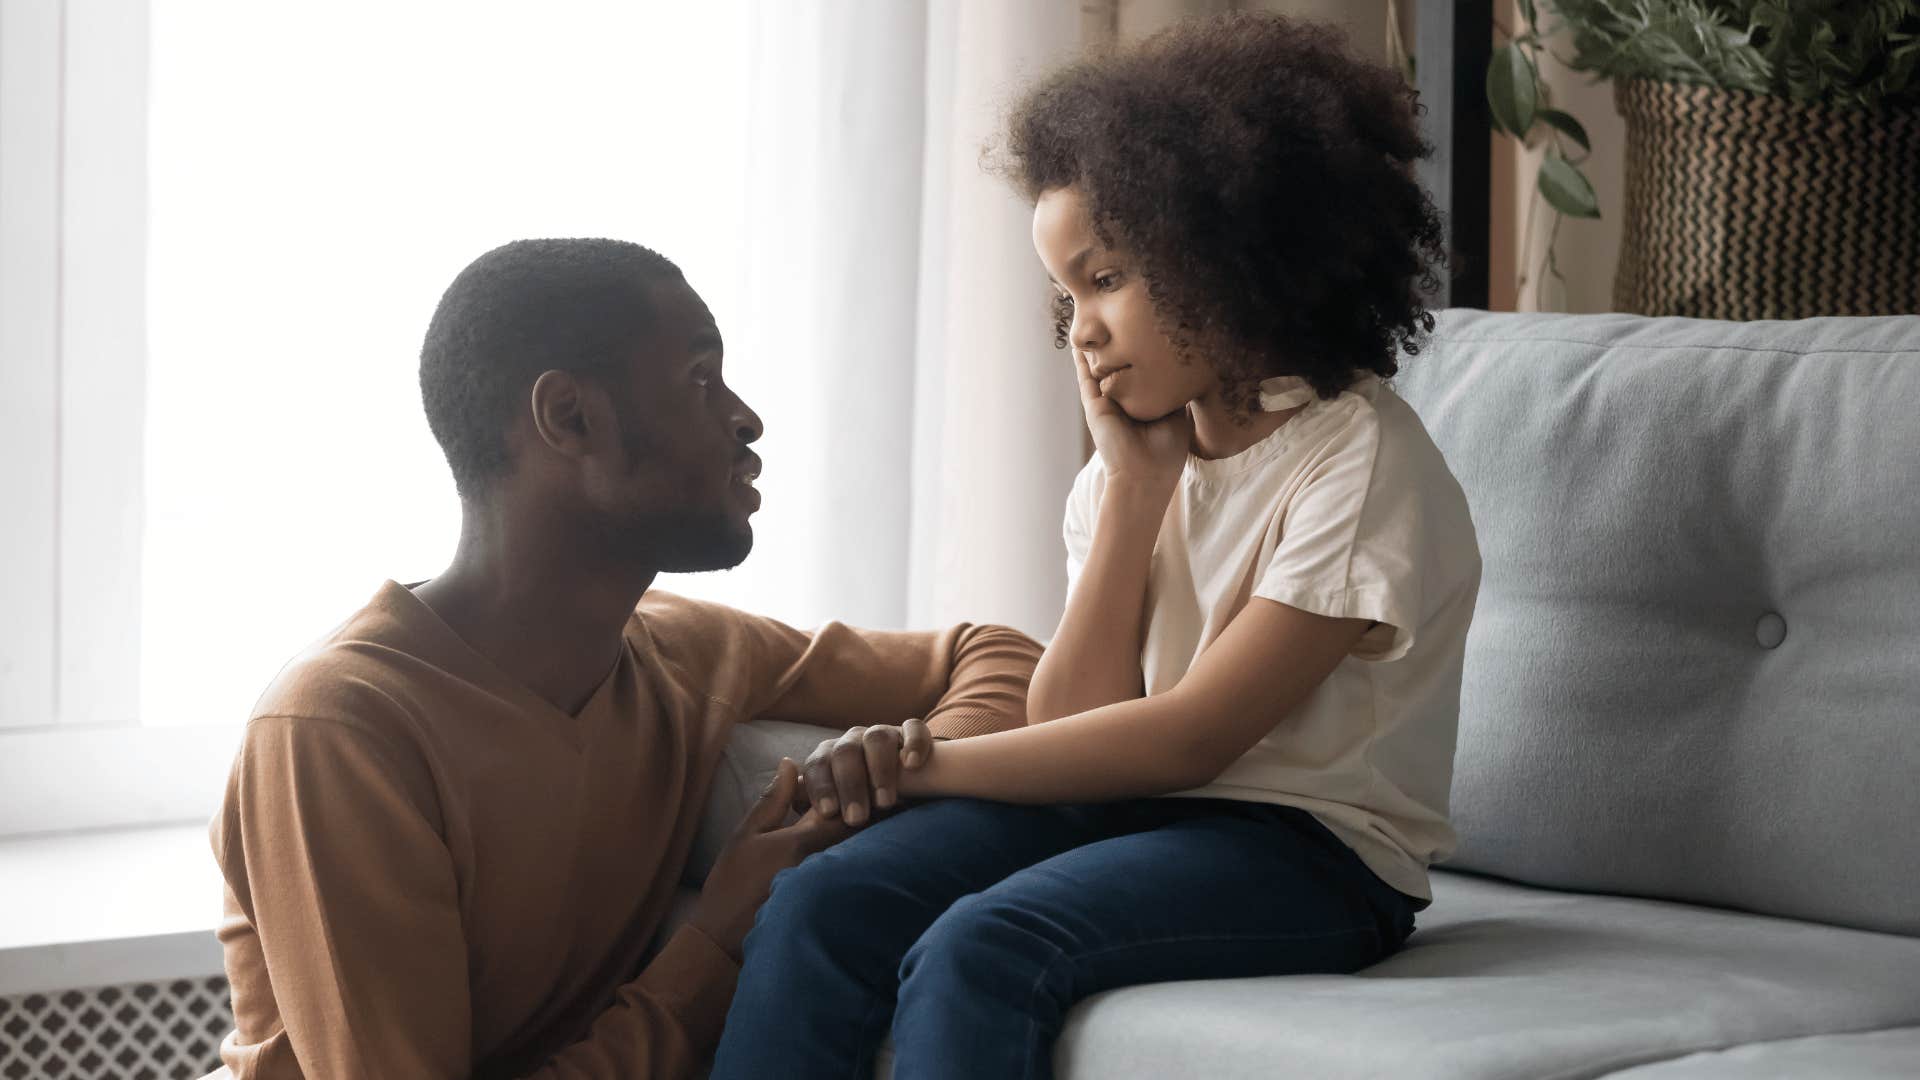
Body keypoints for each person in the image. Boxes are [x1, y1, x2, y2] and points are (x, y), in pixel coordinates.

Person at [710, 13, 1482, 1079]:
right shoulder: (1131, 469)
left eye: (1107, 278)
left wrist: (923, 764)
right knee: (822, 899)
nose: (1080, 328)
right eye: (1065, 294)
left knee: (984, 947)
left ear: (1223, 254)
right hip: (1136, 816)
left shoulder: (1357, 464)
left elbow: (1186, 741)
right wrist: (1132, 491)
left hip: (1313, 856)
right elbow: (1075, 724)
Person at [206, 238, 1044, 1079]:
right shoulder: (340, 729)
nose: (746, 418)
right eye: (699, 378)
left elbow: (996, 653)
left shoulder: (683, 651)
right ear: (568, 417)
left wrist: (917, 775)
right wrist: (717, 942)